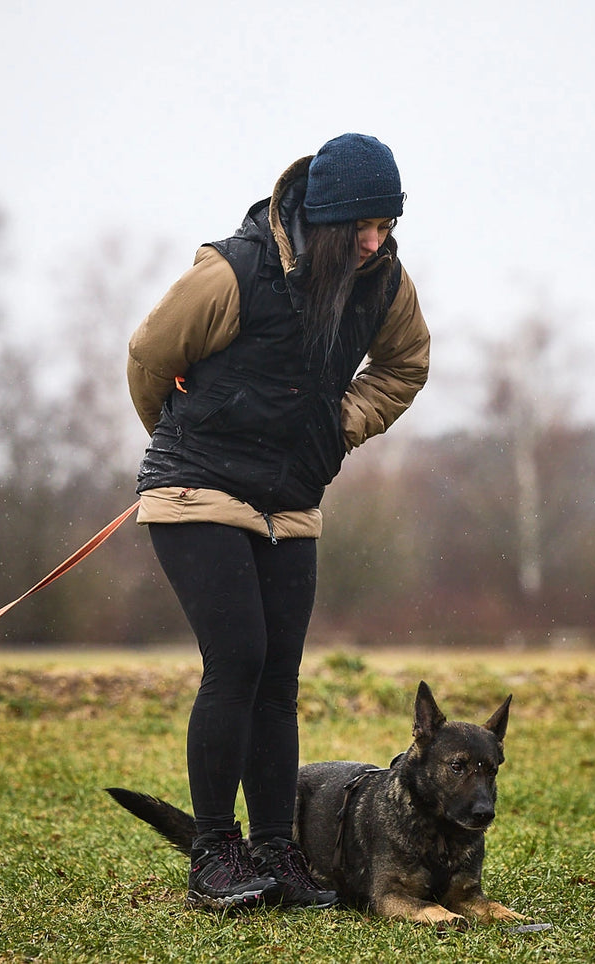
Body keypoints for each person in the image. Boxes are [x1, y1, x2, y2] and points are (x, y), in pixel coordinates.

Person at [125, 133, 430, 911]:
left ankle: (274, 853)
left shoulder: (384, 283)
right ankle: (214, 856)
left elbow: (405, 366)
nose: (375, 240)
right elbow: (148, 356)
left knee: (277, 681)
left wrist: (338, 426)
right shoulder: (233, 270)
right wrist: (187, 440)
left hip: (290, 501)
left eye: (386, 224)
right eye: (361, 225)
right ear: (321, 219)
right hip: (197, 492)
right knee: (238, 659)